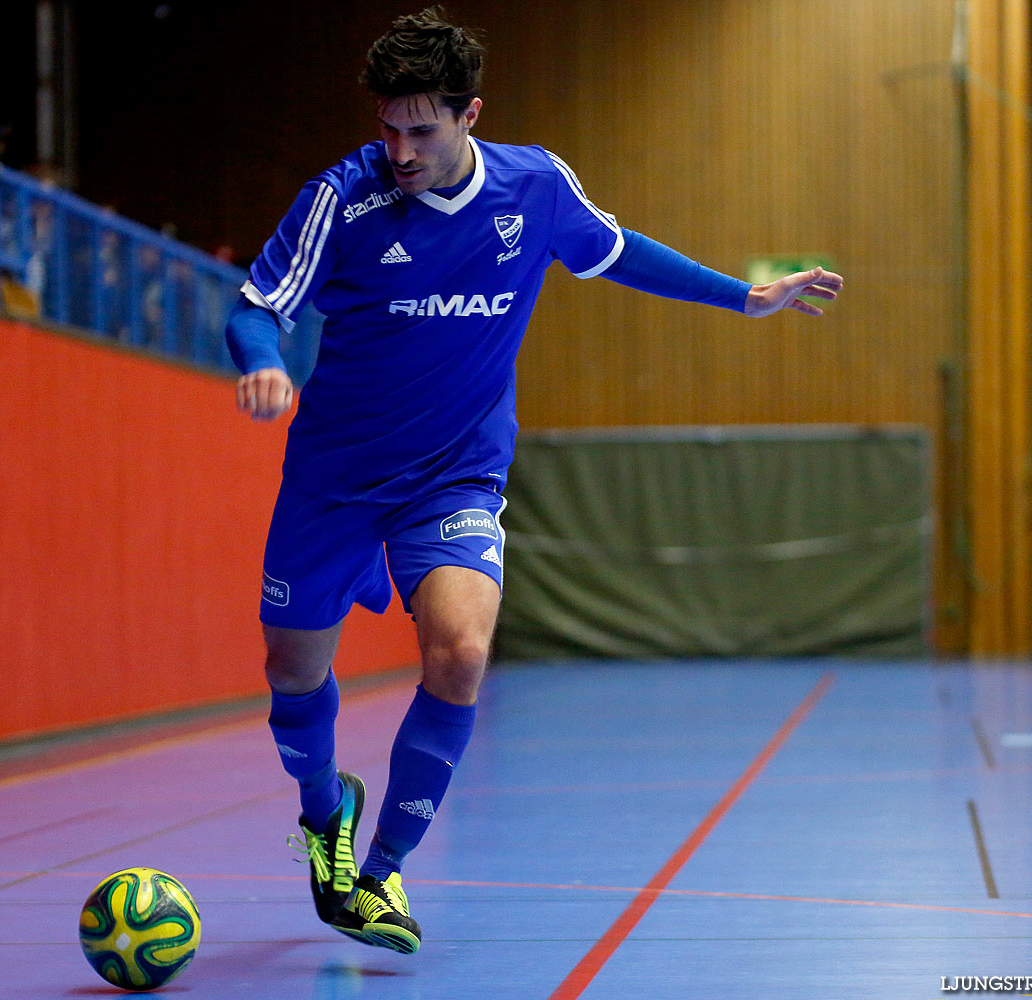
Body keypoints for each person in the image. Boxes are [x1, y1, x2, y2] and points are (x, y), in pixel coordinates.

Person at [225, 6, 842, 956]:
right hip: (333, 482)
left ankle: (378, 870)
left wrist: (743, 294)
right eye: (386, 126)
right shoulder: (339, 201)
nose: (398, 148)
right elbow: (259, 302)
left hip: (454, 474)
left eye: (420, 129)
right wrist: (261, 358)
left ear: (472, 115)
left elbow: (618, 249)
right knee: (292, 672)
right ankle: (324, 817)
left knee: (461, 654)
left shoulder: (535, 186)